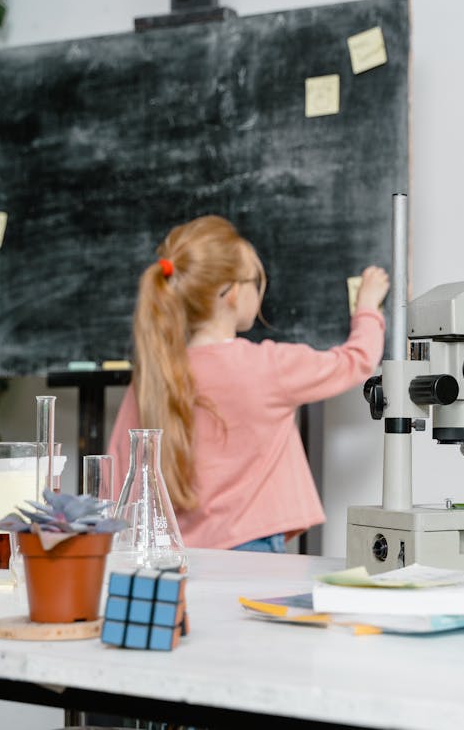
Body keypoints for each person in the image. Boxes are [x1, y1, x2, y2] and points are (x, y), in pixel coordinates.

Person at [107, 214, 390, 553]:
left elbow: (117, 476)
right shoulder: (267, 367)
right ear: (232, 293)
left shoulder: (154, 377)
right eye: (256, 280)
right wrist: (368, 307)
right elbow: (356, 361)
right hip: (253, 550)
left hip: (179, 556)